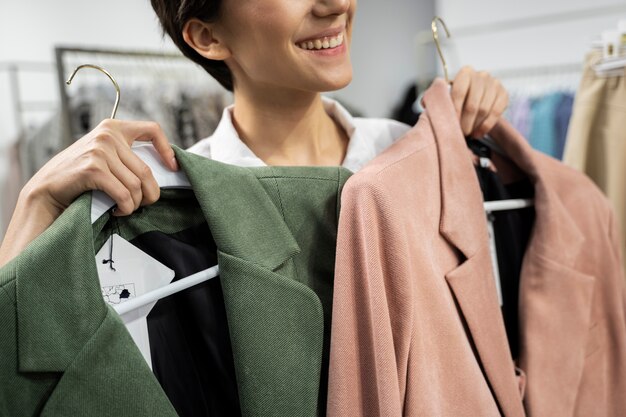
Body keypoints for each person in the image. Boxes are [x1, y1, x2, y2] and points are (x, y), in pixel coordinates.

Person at [0, 0, 508, 267]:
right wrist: (38, 201)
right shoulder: (177, 205)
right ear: (208, 35)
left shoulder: (410, 148)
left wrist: (495, 148)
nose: (335, 3)